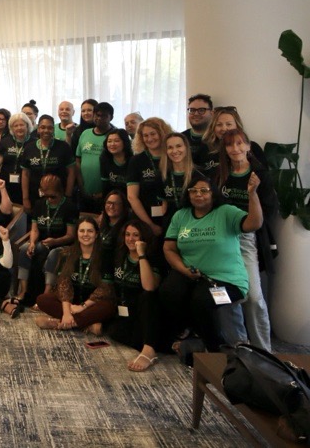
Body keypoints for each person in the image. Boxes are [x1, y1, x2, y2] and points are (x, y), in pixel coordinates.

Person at [159, 175, 263, 352]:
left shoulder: (226, 212)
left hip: (228, 282)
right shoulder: (181, 215)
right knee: (168, 291)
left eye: (204, 191)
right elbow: (169, 248)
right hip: (194, 276)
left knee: (201, 301)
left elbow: (254, 223)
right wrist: (184, 270)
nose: (198, 194)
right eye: (193, 191)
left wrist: (252, 194)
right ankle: (194, 335)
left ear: (213, 194)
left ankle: (216, 349)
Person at [218, 129, 280, 352]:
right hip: (222, 238)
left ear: (248, 146)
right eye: (229, 145)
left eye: (239, 143)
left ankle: (264, 351)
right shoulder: (220, 174)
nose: (235, 149)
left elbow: (270, 209)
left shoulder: (259, 174)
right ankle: (239, 348)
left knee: (253, 297)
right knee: (227, 295)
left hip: (247, 237)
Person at [35, 218, 115, 333]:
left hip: (92, 304)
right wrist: (67, 312)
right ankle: (86, 325)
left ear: (96, 234)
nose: (85, 234)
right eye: (82, 231)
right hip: (72, 302)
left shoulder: (105, 256)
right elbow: (64, 286)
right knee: (43, 299)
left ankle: (60, 323)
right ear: (77, 233)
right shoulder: (67, 254)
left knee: (108, 307)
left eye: (90, 231)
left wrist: (83, 307)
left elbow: (105, 289)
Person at [107, 220, 165, 372]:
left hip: (146, 313)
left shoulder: (152, 257)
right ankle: (153, 343)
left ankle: (149, 350)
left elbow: (149, 286)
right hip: (125, 312)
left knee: (147, 296)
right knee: (113, 332)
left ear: (143, 237)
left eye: (135, 235)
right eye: (127, 235)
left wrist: (141, 255)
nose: (130, 239)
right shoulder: (120, 255)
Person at [14, 174, 78, 308]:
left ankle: (45, 295)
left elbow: (71, 235)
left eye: (52, 197)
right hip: (43, 242)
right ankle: (23, 290)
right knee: (25, 249)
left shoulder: (69, 207)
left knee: (54, 254)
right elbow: (34, 229)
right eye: (46, 196)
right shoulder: (39, 204)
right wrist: (32, 242)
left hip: (63, 244)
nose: (49, 199)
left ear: (60, 192)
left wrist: (55, 241)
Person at [20, 115, 76, 215]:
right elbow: (25, 174)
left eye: (50, 128)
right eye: (43, 127)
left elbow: (71, 172)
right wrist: (25, 198)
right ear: (38, 129)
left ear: (53, 129)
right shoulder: (29, 148)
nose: (46, 130)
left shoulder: (63, 147)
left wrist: (68, 196)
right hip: (35, 195)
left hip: (59, 195)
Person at [126, 117, 172, 237]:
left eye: (153, 134)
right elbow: (132, 197)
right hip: (144, 219)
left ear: (162, 133)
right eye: (145, 135)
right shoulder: (136, 161)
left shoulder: (173, 156)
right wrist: (150, 225)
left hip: (172, 218)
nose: (150, 139)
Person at [75, 102, 114, 213]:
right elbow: (78, 161)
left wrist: (104, 192)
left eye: (104, 116)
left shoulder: (115, 136)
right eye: (97, 115)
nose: (99, 118)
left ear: (111, 117)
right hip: (84, 192)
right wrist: (81, 186)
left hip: (107, 194)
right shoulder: (85, 133)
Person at [0, 112, 33, 207]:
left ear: (27, 126)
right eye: (15, 126)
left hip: (28, 185)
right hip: (6, 184)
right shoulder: (6, 141)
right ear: (11, 128)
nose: (19, 128)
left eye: (22, 125)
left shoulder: (34, 142)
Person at [160, 132, 204, 220]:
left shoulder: (200, 175)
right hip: (171, 224)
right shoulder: (162, 175)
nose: (174, 151)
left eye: (178, 146)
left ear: (186, 148)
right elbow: (163, 207)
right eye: (170, 147)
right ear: (166, 151)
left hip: (195, 223)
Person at [183, 94, 213, 170]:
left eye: (201, 110)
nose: (196, 114)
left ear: (212, 113)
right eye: (192, 110)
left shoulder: (217, 137)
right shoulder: (181, 138)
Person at [99, 128, 132, 197]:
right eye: (109, 141)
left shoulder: (133, 159)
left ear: (125, 142)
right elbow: (105, 185)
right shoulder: (104, 158)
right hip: (114, 197)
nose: (112, 144)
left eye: (116, 141)